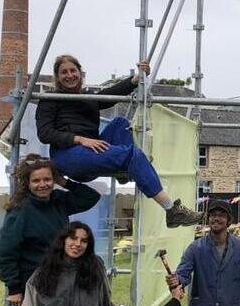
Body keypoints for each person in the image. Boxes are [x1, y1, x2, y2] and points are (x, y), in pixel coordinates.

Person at [34, 54, 201, 228]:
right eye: (64, 72)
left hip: (90, 151)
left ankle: (125, 168)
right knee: (133, 155)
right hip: (67, 155)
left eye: (73, 70)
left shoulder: (87, 97)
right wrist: (80, 140)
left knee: (120, 123)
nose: (69, 75)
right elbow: (45, 134)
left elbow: (109, 95)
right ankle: (172, 210)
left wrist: (136, 79)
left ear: (80, 73)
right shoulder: (50, 99)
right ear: (57, 77)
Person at [0, 154, 100, 306]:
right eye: (36, 180)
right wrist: (14, 288)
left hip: (61, 276)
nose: (42, 184)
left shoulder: (58, 200)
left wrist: (63, 181)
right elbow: (5, 251)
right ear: (27, 183)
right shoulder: (20, 210)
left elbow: (90, 197)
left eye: (47, 179)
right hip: (33, 281)